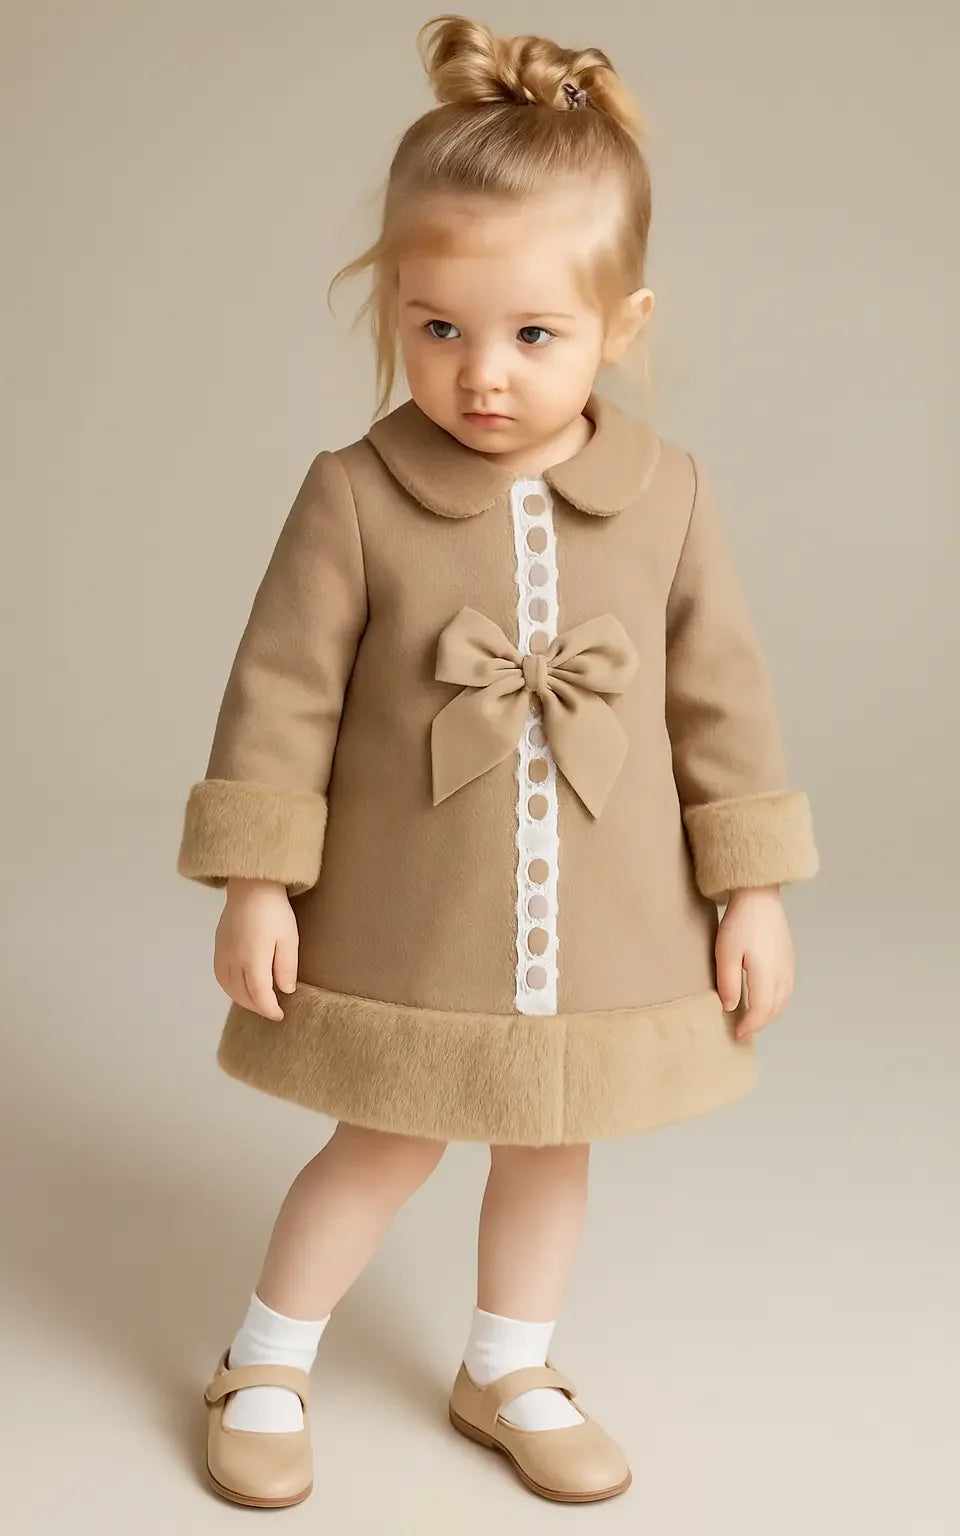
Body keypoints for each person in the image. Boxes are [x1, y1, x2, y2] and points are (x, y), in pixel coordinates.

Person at [178, 12, 819, 1509]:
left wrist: (754, 893)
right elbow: (277, 696)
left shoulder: (666, 498)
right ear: (394, 309)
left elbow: (722, 704)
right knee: (384, 1134)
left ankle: (508, 1361)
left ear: (624, 324)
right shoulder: (355, 494)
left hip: (600, 915)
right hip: (413, 907)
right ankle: (266, 1356)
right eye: (439, 329)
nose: (481, 375)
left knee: (549, 1146)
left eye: (535, 334)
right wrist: (258, 883)